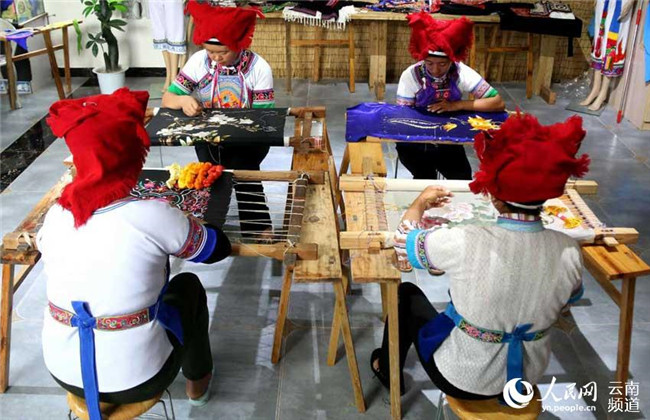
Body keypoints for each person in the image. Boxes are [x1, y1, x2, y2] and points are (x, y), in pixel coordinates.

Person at [38, 88, 232, 419]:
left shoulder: (56, 215)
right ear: (131, 156)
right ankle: (197, 384)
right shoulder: (151, 214)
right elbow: (214, 250)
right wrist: (191, 225)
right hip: (140, 378)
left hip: (63, 371)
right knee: (187, 288)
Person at [370, 112, 590, 402]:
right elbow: (567, 302)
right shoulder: (569, 249)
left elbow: (403, 243)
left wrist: (420, 202)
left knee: (406, 295)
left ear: (494, 197)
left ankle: (387, 369)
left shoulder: (467, 240)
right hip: (528, 375)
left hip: (463, 378)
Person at [162, 1, 273, 237]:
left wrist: (238, 131)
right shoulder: (199, 62)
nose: (216, 58)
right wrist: (183, 101)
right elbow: (168, 98)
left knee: (245, 173)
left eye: (223, 52)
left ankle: (258, 228)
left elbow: (264, 118)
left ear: (239, 45)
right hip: (209, 136)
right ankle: (211, 230)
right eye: (211, 52)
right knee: (210, 176)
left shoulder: (258, 68)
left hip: (249, 138)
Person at [396, 12, 505, 180]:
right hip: (414, 140)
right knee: (425, 178)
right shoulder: (411, 75)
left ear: (452, 60)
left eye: (442, 64)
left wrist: (456, 105)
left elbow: (497, 102)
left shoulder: (460, 72)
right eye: (429, 63)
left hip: (448, 136)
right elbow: (404, 116)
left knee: (462, 179)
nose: (435, 70)